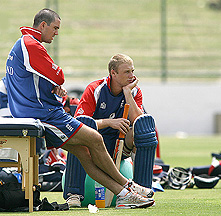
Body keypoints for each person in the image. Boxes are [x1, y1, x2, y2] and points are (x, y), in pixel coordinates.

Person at [5, 8, 155, 209]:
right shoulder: (30, 44)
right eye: (55, 28)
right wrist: (55, 79)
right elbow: (59, 74)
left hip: (34, 111)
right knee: (95, 138)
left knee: (85, 152)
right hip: (43, 114)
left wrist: (51, 87)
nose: (56, 33)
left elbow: (32, 81)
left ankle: (122, 195)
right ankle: (129, 186)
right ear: (43, 25)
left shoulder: (22, 44)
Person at [63, 53, 158, 207]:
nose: (132, 76)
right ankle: (73, 194)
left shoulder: (134, 91)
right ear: (113, 73)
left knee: (144, 126)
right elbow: (78, 124)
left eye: (133, 71)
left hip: (120, 145)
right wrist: (109, 123)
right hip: (93, 146)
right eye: (127, 72)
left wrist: (128, 94)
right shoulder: (95, 89)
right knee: (82, 123)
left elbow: (138, 121)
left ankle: (141, 191)